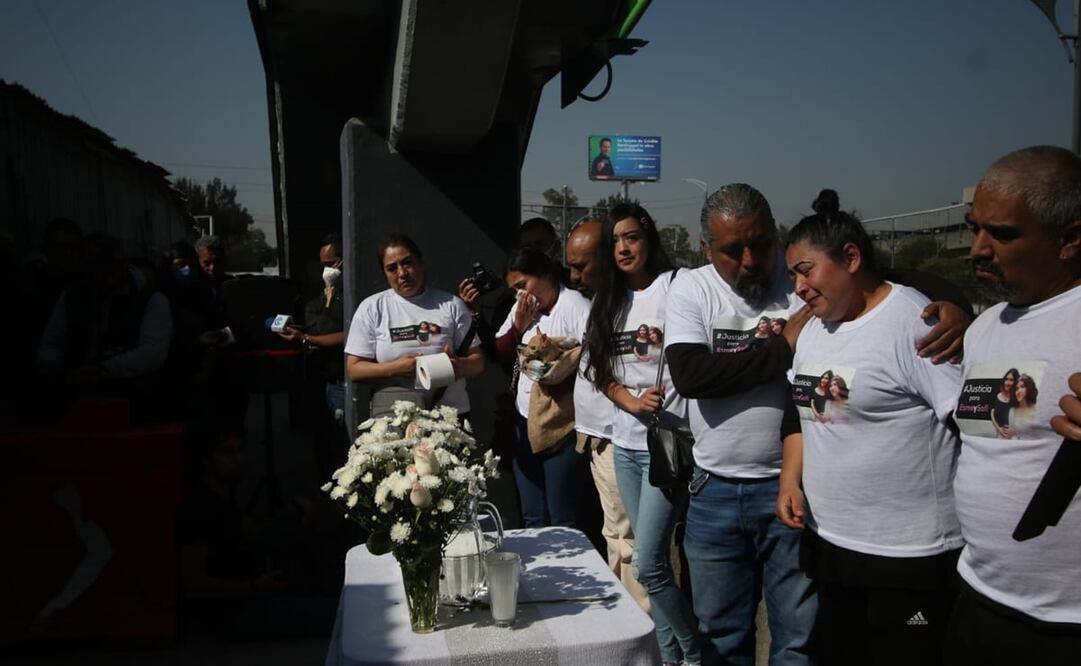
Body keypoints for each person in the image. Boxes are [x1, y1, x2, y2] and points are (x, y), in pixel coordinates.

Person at [665, 183, 969, 664]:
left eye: (761, 243)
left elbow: (880, 280)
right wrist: (781, 347)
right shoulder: (693, 287)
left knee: (800, 639)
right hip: (717, 489)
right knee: (720, 635)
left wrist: (955, 306)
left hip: (804, 503)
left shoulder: (807, 281)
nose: (750, 259)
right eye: (731, 250)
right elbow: (692, 375)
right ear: (707, 248)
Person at [779, 208, 965, 665]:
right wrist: (790, 480)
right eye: (792, 276)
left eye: (806, 271)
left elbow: (968, 424)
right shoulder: (813, 328)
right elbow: (805, 414)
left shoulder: (910, 322)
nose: (798, 287)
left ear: (851, 257)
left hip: (907, 556)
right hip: (832, 545)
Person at [944, 146, 1081, 665]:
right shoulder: (984, 325)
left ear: (1069, 239)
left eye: (1001, 234)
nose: (978, 248)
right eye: (973, 227)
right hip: (980, 596)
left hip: (1065, 623)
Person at [584, 203, 703, 666]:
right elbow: (601, 371)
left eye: (631, 237)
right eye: (614, 241)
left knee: (651, 563)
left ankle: (693, 654)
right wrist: (630, 401)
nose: (623, 248)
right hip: (627, 446)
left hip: (669, 446)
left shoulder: (678, 286)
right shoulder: (609, 301)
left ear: (648, 239)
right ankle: (669, 657)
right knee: (641, 558)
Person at [566, 218, 650, 612]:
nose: (573, 275)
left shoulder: (635, 303)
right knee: (614, 535)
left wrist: (630, 403)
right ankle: (623, 624)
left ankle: (640, 630)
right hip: (600, 439)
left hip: (623, 440)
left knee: (629, 541)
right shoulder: (603, 301)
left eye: (581, 265)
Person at [494, 246, 592, 529]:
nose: (520, 295)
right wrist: (519, 326)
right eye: (514, 290)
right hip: (525, 422)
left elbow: (593, 362)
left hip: (561, 427)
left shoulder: (575, 306)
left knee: (563, 517)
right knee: (533, 515)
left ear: (546, 273)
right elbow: (500, 351)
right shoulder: (522, 308)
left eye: (523, 285)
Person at [36, 233, 173, 422]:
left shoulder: (151, 300)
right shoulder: (72, 297)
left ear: (123, 261)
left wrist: (103, 370)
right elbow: (49, 346)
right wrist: (68, 369)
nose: (105, 270)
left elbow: (152, 353)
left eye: (110, 262)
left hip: (132, 398)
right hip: (74, 395)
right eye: (96, 263)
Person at [345, 234, 483, 418]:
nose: (402, 273)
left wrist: (460, 367)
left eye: (407, 263)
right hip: (394, 420)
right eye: (392, 268)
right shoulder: (372, 307)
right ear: (385, 274)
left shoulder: (451, 304)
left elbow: (478, 362)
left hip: (448, 418)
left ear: (421, 263)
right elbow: (355, 369)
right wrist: (396, 368)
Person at [279, 233, 347, 475]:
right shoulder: (316, 301)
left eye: (333, 263)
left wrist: (309, 338)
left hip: (344, 380)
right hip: (324, 380)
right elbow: (322, 328)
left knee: (343, 447)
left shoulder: (354, 298)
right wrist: (328, 298)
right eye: (324, 264)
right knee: (324, 445)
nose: (327, 269)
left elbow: (344, 336)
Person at [990, 368, 1019, 439]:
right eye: (1006, 379)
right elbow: (992, 412)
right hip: (1000, 434)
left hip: (1014, 437)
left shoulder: (1018, 398)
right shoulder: (998, 395)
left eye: (1011, 380)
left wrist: (1014, 431)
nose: (1007, 382)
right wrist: (999, 429)